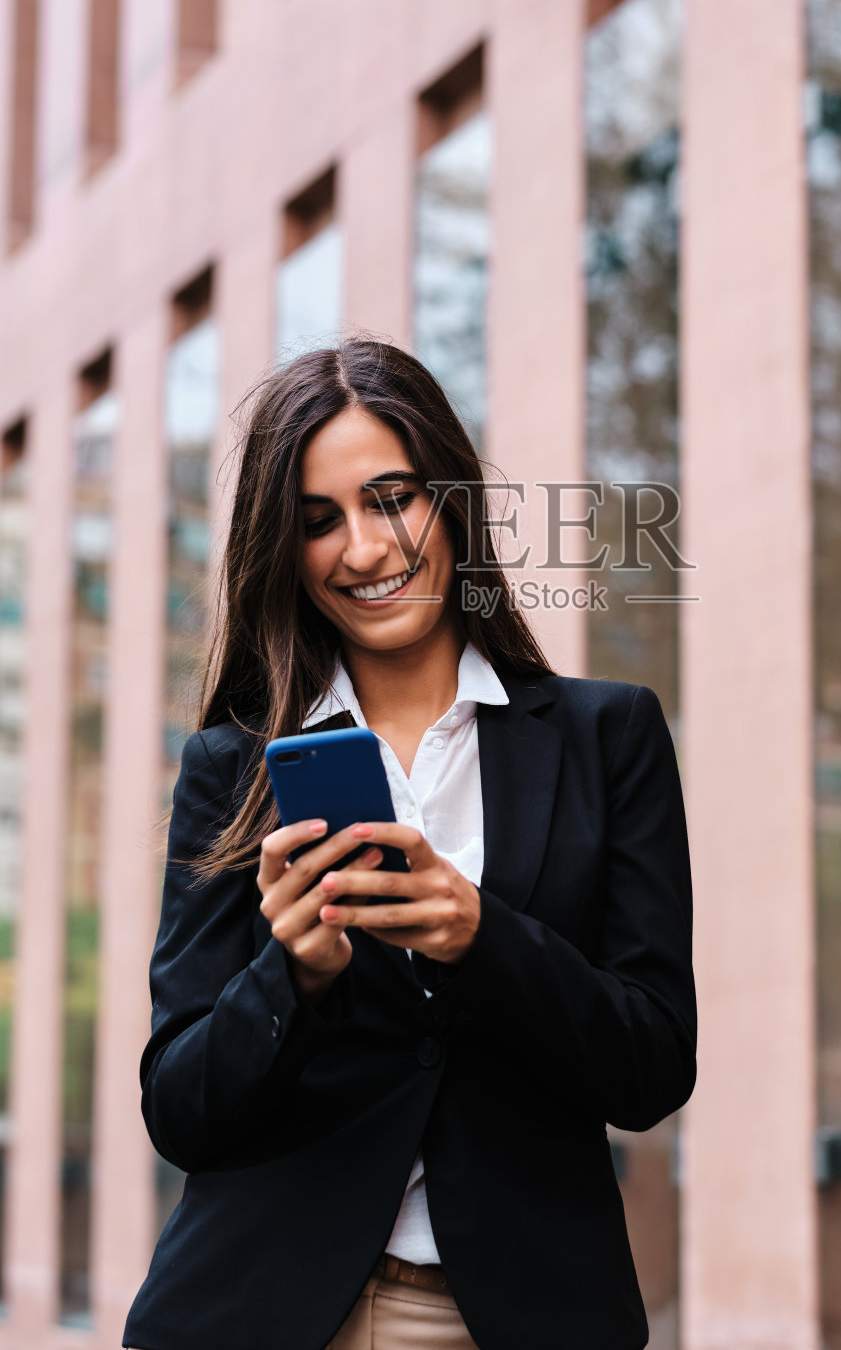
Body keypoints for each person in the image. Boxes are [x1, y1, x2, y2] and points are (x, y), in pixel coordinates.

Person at [123, 336, 696, 1350]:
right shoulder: (235, 765)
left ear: (450, 499)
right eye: (317, 521)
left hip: (518, 1316)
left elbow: (650, 1067)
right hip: (271, 1313)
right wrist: (288, 977)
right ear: (286, 553)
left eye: (390, 498)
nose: (363, 548)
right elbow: (179, 1108)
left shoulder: (607, 738)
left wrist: (486, 938)